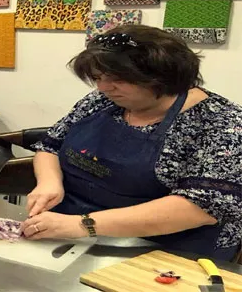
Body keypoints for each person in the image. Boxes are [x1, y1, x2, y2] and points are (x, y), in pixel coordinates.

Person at [22, 25, 242, 261]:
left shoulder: (222, 123)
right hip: (71, 234)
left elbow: (199, 208)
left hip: (166, 250)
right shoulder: (102, 101)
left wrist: (83, 224)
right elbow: (50, 147)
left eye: (117, 79)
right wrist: (49, 183)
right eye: (98, 78)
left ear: (162, 76)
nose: (103, 87)